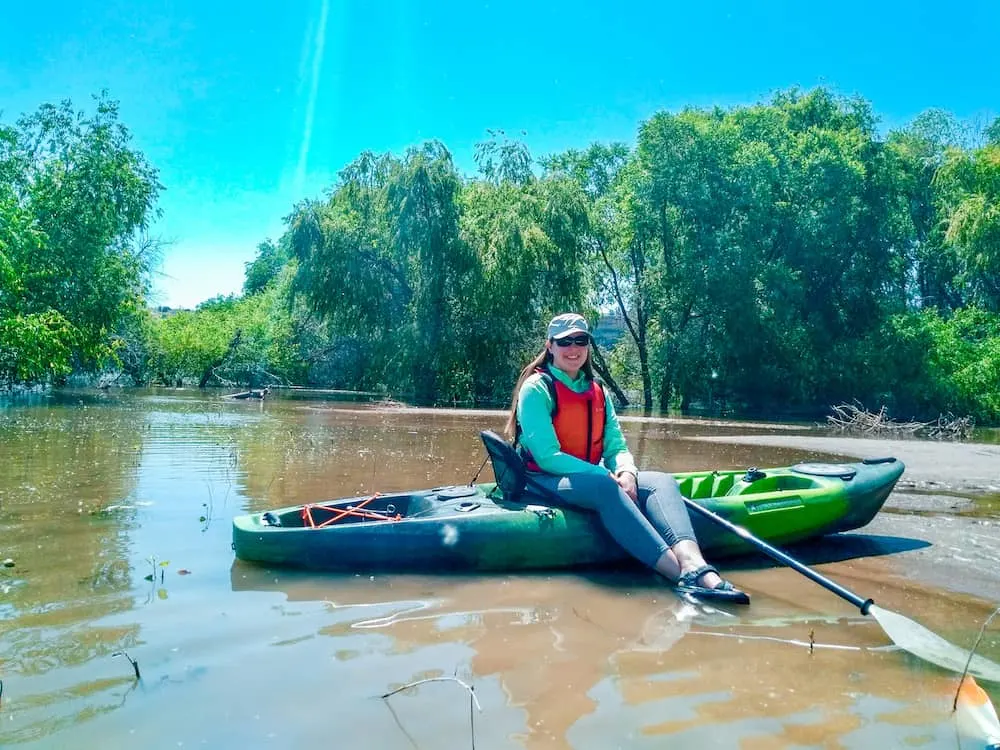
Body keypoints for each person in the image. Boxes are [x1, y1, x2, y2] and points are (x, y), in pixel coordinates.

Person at [504, 312, 749, 604]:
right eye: (564, 342)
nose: (573, 348)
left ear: (588, 345)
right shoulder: (536, 389)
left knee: (659, 480)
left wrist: (627, 472)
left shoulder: (597, 392)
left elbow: (616, 446)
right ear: (550, 346)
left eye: (580, 340)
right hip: (542, 480)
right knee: (605, 488)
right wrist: (604, 477)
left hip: (583, 477)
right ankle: (679, 576)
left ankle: (694, 564)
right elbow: (547, 458)